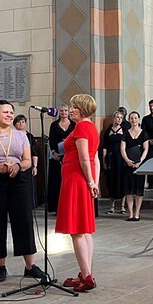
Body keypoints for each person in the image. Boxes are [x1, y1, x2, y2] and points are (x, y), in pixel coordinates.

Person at [0, 100, 44, 283]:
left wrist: (18, 165)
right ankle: (1, 267)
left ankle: (30, 267)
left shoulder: (21, 136)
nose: (9, 115)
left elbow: (28, 160)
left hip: (18, 180)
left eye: (11, 112)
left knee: (24, 221)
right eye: (5, 112)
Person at [55, 94, 100, 292]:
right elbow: (95, 159)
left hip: (77, 179)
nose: (70, 110)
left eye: (73, 107)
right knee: (85, 229)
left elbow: (84, 158)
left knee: (77, 230)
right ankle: (85, 272)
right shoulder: (92, 127)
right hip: (84, 179)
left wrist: (90, 182)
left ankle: (87, 276)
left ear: (80, 109)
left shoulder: (82, 127)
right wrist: (94, 182)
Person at [120, 111, 149, 221]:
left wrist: (140, 161)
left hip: (140, 164)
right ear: (129, 119)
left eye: (135, 118)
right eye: (131, 118)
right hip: (128, 164)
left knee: (139, 190)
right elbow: (122, 149)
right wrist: (127, 160)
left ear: (138, 119)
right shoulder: (125, 133)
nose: (133, 120)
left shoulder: (144, 133)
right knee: (129, 190)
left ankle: (137, 213)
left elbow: (146, 149)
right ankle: (130, 213)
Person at [47, 104, 75, 212]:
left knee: (68, 180)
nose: (64, 113)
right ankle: (56, 207)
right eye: (62, 111)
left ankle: (68, 206)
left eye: (66, 110)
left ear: (69, 112)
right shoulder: (54, 125)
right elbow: (52, 139)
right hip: (57, 154)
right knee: (56, 180)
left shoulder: (74, 124)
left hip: (70, 154)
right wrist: (54, 152)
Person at [102, 111, 125, 215]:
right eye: (117, 117)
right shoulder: (107, 131)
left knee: (122, 181)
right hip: (111, 158)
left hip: (121, 158)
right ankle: (112, 206)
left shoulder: (124, 131)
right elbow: (104, 147)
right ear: (113, 118)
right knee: (111, 181)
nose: (119, 119)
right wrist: (104, 160)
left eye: (121, 118)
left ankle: (123, 206)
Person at [14, 115, 39, 208]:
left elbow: (34, 152)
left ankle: (28, 205)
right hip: (15, 164)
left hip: (27, 164)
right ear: (14, 124)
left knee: (27, 186)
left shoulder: (29, 136)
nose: (21, 123)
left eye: (23, 122)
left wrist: (35, 166)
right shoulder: (11, 135)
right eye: (18, 122)